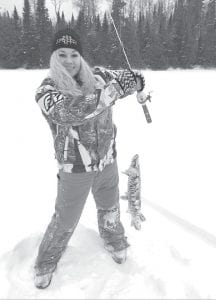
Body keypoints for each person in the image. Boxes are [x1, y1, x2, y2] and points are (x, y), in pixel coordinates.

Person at [34, 28, 145, 289]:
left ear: (81, 57)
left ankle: (114, 240)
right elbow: (72, 111)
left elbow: (129, 78)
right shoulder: (46, 91)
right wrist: (114, 91)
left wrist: (137, 82)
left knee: (110, 207)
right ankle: (46, 262)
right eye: (62, 54)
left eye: (74, 54)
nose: (69, 60)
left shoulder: (101, 77)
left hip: (108, 160)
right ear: (53, 57)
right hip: (75, 169)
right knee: (65, 220)